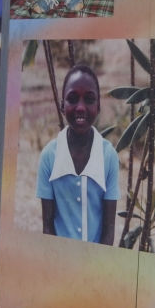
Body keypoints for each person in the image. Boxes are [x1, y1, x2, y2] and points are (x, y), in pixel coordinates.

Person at [37, 64, 119, 244]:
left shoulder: (109, 156)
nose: (80, 107)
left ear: (98, 106)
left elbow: (108, 230)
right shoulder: (49, 156)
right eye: (72, 99)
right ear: (61, 105)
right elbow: (48, 227)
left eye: (89, 100)